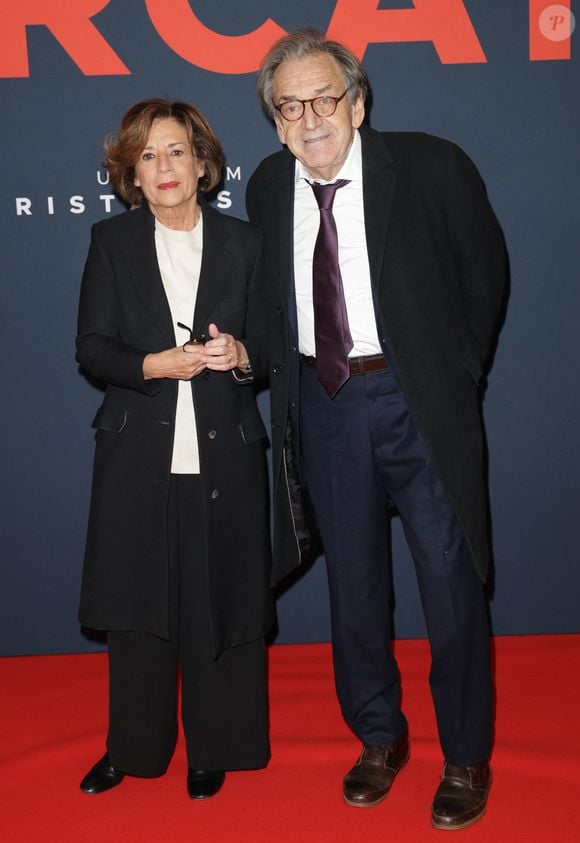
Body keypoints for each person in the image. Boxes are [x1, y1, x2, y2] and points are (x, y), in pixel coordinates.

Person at [246, 29, 505, 830]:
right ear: (276, 122)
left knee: (449, 584)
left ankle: (465, 753)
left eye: (324, 98)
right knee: (353, 589)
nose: (310, 119)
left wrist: (452, 376)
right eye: (290, 106)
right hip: (324, 405)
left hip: (414, 401)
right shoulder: (267, 187)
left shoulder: (431, 167)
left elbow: (485, 276)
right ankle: (379, 736)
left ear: (357, 103)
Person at [77, 99, 273, 800]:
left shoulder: (245, 243)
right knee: (139, 607)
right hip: (139, 456)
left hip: (225, 454)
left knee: (221, 601)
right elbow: (92, 347)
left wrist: (241, 354)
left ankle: (217, 745)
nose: (164, 166)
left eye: (176, 151)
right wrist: (152, 365)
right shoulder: (111, 241)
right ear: (132, 173)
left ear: (202, 163)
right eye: (148, 155)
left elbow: (273, 348)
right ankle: (132, 746)